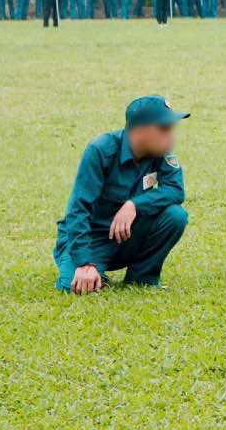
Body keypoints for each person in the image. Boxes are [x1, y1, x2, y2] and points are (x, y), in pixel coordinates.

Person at [52, 95, 189, 294]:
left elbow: (176, 190)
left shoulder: (162, 152)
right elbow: (78, 209)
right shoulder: (101, 150)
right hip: (93, 238)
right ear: (139, 130)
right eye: (163, 129)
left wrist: (134, 205)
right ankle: (94, 271)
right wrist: (84, 262)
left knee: (175, 216)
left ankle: (142, 278)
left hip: (126, 236)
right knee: (72, 287)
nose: (171, 136)